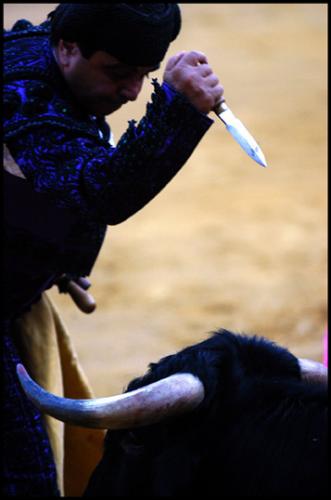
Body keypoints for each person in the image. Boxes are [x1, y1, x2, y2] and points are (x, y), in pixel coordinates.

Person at [3, 3, 224, 496]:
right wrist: (178, 110)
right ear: (67, 47)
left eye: (143, 77)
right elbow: (102, 191)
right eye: (118, 73)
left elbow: (49, 183)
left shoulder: (44, 53)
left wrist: (60, 261)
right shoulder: (24, 97)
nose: (130, 92)